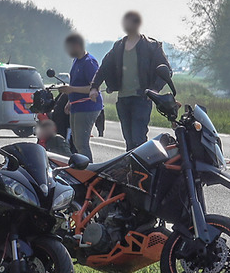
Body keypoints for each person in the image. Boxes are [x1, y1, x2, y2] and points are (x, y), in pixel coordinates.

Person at [90, 11, 171, 151]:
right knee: (129, 141)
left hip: (142, 99)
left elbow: (166, 70)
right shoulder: (118, 46)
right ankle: (132, 172)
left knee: (138, 139)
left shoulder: (151, 46)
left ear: (138, 24)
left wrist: (155, 90)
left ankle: (143, 171)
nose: (127, 25)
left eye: (131, 21)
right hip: (123, 100)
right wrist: (94, 87)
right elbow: (104, 67)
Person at [58, 33, 103, 161]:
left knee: (82, 144)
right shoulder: (76, 61)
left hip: (88, 106)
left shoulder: (89, 62)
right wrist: (69, 101)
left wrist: (71, 89)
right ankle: (82, 169)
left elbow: (93, 87)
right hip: (76, 106)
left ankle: (88, 171)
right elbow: (76, 83)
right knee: (77, 143)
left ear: (77, 46)